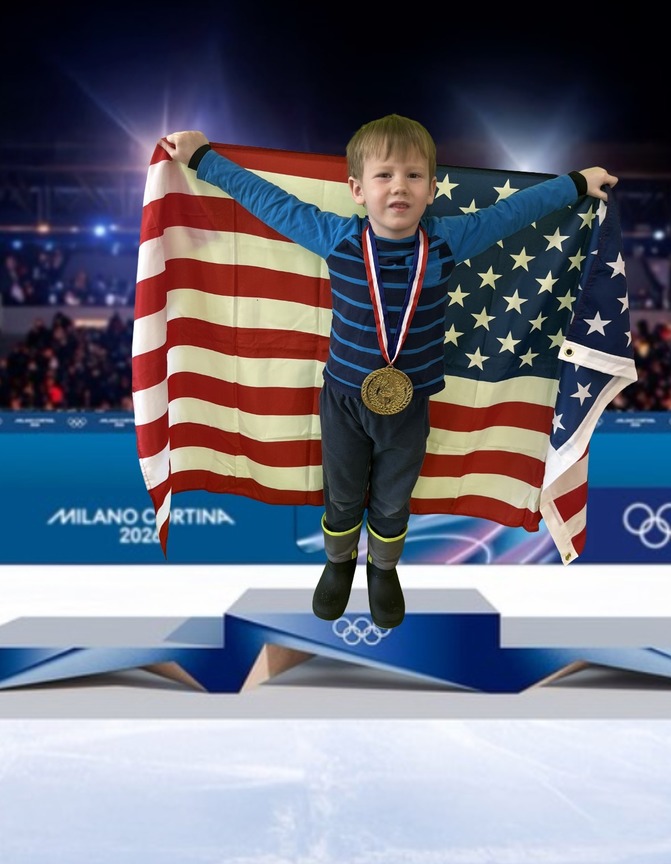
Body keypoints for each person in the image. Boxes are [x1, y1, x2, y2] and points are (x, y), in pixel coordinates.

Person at [160, 115, 618, 629]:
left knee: (394, 496)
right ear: (357, 189)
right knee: (343, 492)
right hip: (343, 401)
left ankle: (383, 569)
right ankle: (338, 563)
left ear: (431, 189)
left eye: (413, 176)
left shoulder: (447, 242)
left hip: (411, 402)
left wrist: (577, 183)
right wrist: (201, 158)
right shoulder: (335, 238)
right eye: (384, 175)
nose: (399, 186)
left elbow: (514, 212)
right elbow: (267, 200)